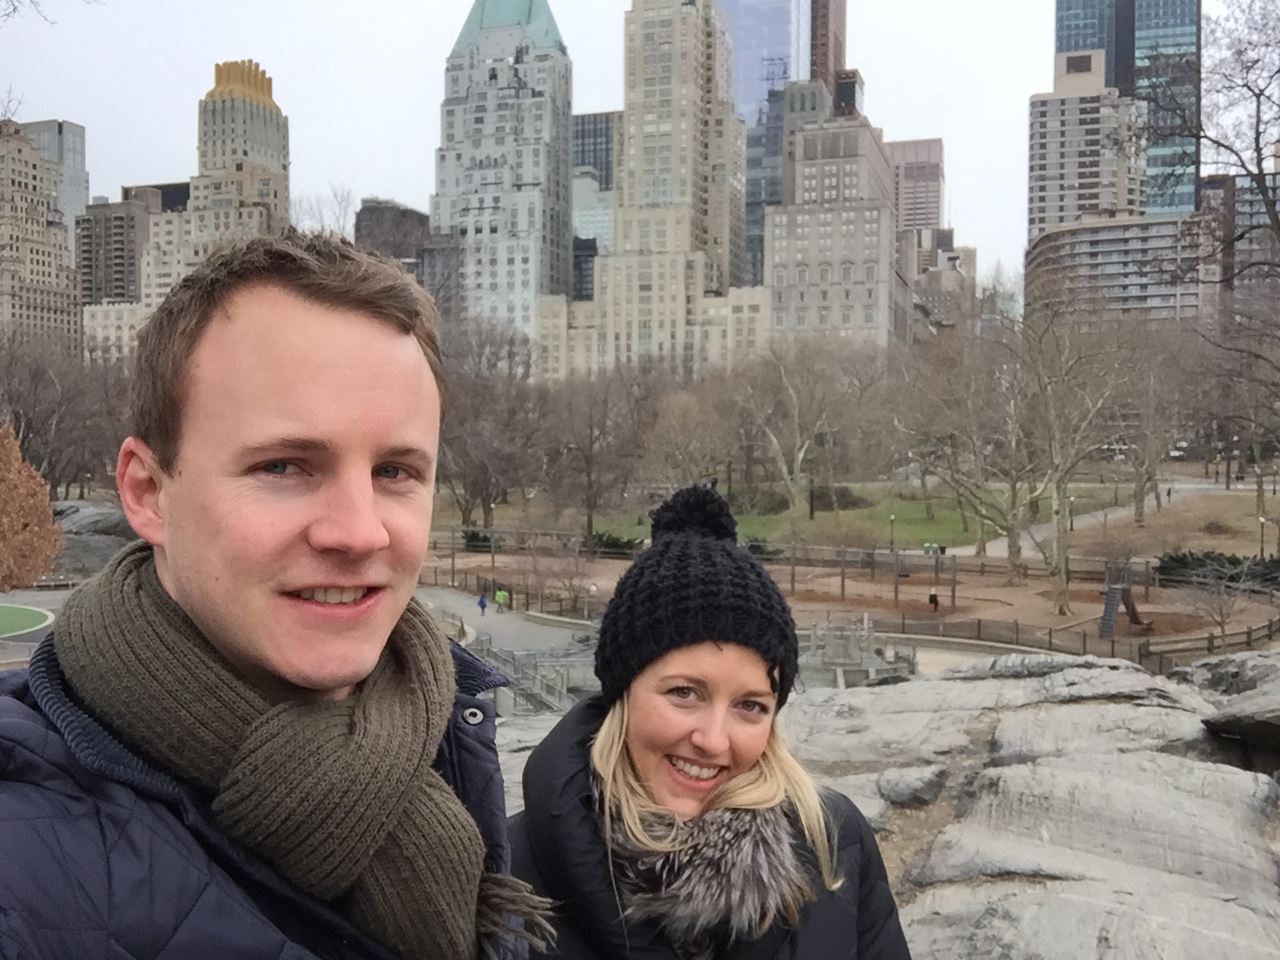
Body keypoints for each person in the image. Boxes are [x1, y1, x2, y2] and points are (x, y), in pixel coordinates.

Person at [0, 233, 549, 959]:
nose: (359, 532)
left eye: (394, 472)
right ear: (148, 492)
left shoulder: (442, 729)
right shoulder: (22, 869)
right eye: (285, 466)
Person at [510, 485, 911, 960]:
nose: (714, 741)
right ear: (623, 692)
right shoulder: (504, 871)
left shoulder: (834, 842)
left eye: (750, 706)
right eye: (685, 693)